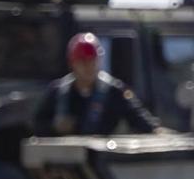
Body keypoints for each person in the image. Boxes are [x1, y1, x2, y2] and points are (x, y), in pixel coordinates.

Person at [34, 33, 166, 137]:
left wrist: (156, 130)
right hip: (65, 162)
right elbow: (37, 126)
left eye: (92, 61)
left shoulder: (114, 91)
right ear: (72, 64)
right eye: (82, 62)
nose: (88, 67)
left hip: (101, 160)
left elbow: (140, 119)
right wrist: (54, 127)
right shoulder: (58, 92)